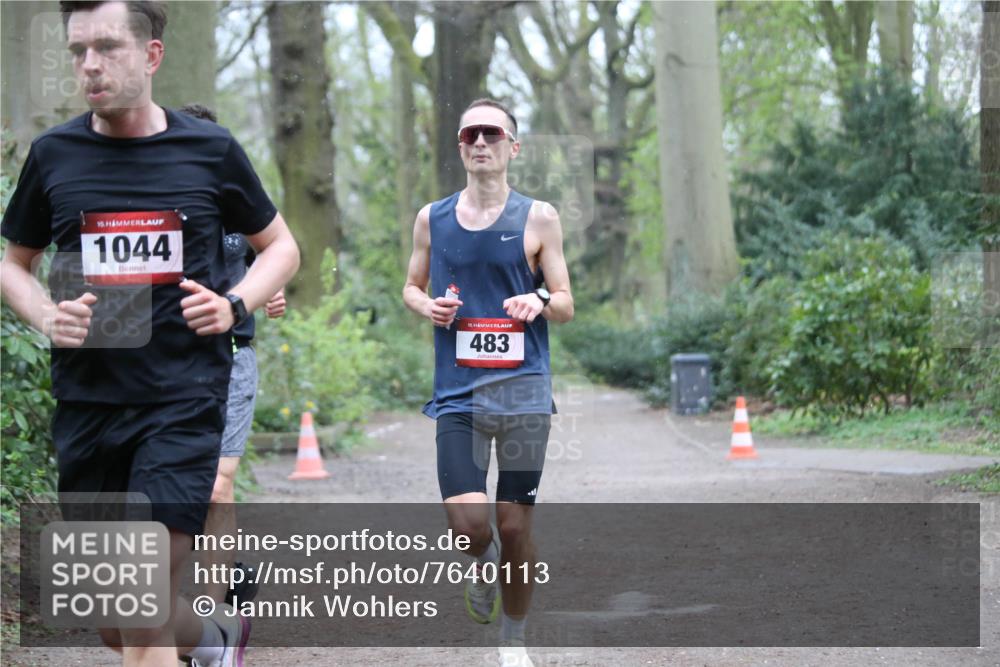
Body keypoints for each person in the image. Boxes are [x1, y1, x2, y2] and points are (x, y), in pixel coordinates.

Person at [0, 2, 299, 666]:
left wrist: (234, 303)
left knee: (136, 609)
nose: (89, 65)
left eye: (107, 47)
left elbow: (280, 247)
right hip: (89, 408)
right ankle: (215, 636)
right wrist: (45, 315)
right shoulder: (55, 155)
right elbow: (13, 264)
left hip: (182, 402)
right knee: (117, 621)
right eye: (78, 51)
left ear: (152, 56)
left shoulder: (210, 150)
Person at [402, 98, 574, 667]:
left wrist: (539, 298)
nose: (481, 142)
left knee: (514, 525)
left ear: (512, 146)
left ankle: (513, 641)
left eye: (492, 134)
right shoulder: (433, 217)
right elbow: (410, 285)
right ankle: (480, 564)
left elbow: (566, 302)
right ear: (460, 146)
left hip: (523, 390)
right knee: (471, 525)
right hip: (458, 394)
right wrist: (427, 305)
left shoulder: (539, 217)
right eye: (470, 134)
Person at [178, 103, 286, 609]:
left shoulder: (241, 206)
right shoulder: (161, 210)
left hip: (233, 358)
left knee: (219, 483)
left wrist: (268, 292)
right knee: (181, 486)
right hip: (166, 363)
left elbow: (272, 256)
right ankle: (222, 572)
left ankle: (212, 620)